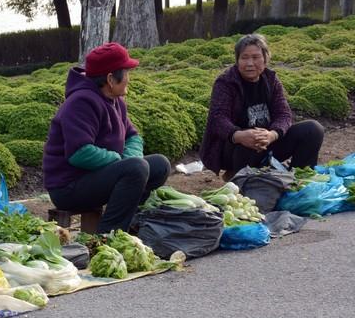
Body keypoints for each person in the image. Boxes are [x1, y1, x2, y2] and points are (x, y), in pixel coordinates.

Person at [43, 42, 171, 234]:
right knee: (136, 168)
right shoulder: (81, 102)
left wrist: (130, 158)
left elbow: (133, 137)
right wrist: (120, 161)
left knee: (160, 165)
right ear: (111, 79)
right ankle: (108, 236)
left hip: (98, 177)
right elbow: (80, 153)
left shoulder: (115, 101)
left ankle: (132, 222)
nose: (129, 78)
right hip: (69, 186)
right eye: (126, 73)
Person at [200, 34, 324, 180]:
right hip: (234, 147)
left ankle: (299, 181)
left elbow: (283, 114)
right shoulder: (226, 83)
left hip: (267, 141)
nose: (250, 63)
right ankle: (239, 177)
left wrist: (272, 135)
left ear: (265, 58)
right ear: (237, 60)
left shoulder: (270, 80)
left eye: (255, 57)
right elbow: (218, 119)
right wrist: (239, 135)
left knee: (313, 130)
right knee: (250, 139)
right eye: (244, 57)